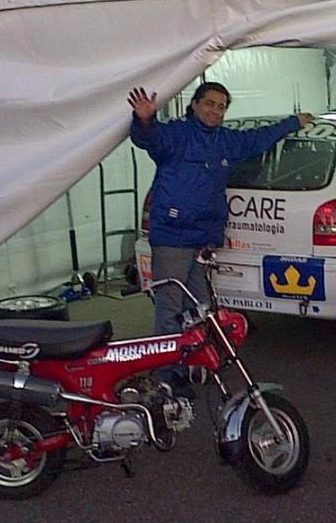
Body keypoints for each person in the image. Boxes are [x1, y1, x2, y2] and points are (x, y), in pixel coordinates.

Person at [127, 82, 314, 393]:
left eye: (222, 106)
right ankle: (165, 376)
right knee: (170, 308)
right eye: (210, 104)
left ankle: (189, 366)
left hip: (202, 240)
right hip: (173, 237)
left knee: (199, 308)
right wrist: (145, 119)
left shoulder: (226, 141)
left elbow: (259, 138)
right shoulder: (177, 134)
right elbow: (149, 139)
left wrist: (293, 123)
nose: (216, 111)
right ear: (196, 105)